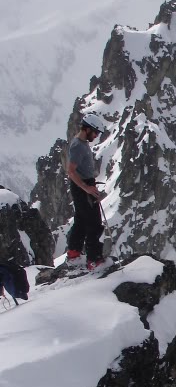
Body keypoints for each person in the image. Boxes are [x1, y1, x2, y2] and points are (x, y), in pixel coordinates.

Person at [66, 114, 107, 270]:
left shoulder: (81, 143)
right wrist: (87, 188)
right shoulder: (78, 146)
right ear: (88, 129)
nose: (96, 136)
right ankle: (94, 260)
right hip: (83, 187)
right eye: (95, 132)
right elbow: (71, 171)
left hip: (84, 186)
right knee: (94, 223)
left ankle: (74, 253)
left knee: (82, 220)